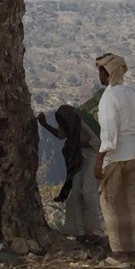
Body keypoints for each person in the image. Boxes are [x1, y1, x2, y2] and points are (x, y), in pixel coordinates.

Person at [93, 52, 135, 266]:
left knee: (109, 201)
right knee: (129, 202)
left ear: (108, 73)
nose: (100, 76)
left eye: (101, 71)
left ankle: (117, 253)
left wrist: (100, 159)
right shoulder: (130, 93)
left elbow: (110, 132)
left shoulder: (109, 97)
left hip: (117, 154)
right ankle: (132, 251)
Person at [36, 104, 104, 244]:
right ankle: (79, 232)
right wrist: (45, 125)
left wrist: (81, 144)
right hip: (80, 160)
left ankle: (97, 231)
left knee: (88, 192)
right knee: (74, 195)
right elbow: (62, 135)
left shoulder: (84, 123)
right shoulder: (71, 126)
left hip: (93, 158)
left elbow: (98, 142)